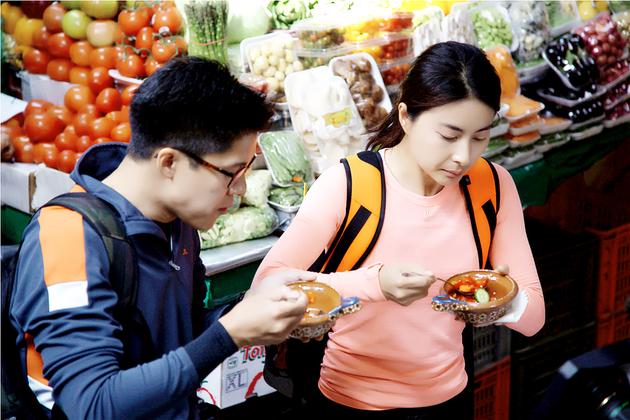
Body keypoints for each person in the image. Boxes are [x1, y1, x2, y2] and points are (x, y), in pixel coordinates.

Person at [252, 41, 545, 418]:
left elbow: (534, 318)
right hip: (347, 402)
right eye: (449, 135)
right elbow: (265, 289)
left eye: (480, 136)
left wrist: (498, 299)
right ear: (406, 117)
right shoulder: (350, 184)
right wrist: (375, 285)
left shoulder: (492, 186)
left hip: (448, 401)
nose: (464, 156)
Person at [8, 57, 312, 418]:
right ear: (168, 163)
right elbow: (91, 405)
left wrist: (253, 312)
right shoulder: (67, 237)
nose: (241, 188)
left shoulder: (178, 221)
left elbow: (180, 333)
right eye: (232, 173)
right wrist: (230, 333)